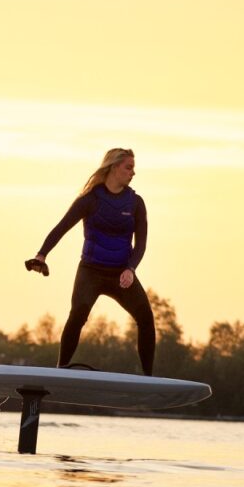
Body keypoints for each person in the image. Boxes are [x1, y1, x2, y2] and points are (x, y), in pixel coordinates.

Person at [25, 148, 156, 375]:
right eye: (129, 167)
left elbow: (141, 244)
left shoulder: (136, 203)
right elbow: (61, 227)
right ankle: (61, 368)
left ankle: (148, 378)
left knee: (146, 318)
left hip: (121, 274)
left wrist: (130, 268)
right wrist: (41, 255)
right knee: (78, 313)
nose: (133, 173)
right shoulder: (90, 200)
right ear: (113, 167)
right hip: (91, 271)